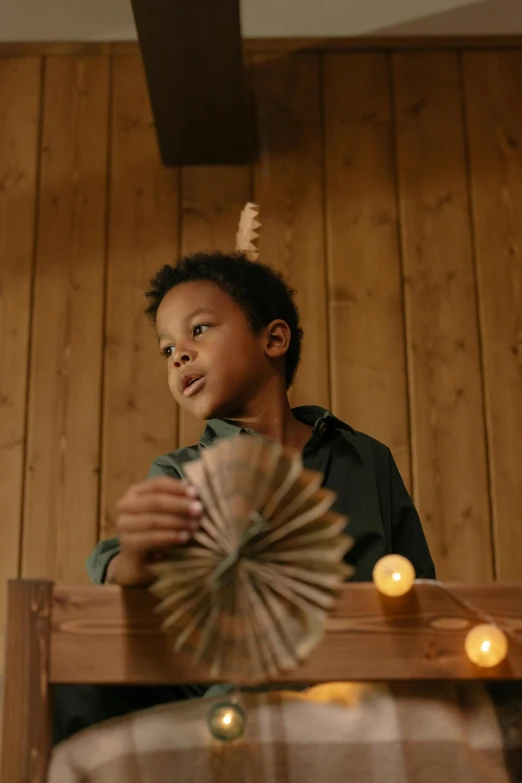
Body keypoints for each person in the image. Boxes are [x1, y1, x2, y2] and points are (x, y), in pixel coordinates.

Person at [54, 251, 435, 743]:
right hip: (226, 695)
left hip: (359, 682)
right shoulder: (181, 471)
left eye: (199, 330)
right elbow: (137, 575)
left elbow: (421, 586)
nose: (179, 357)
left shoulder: (367, 459)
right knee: (65, 675)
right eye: (166, 351)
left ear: (273, 339)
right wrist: (132, 558)